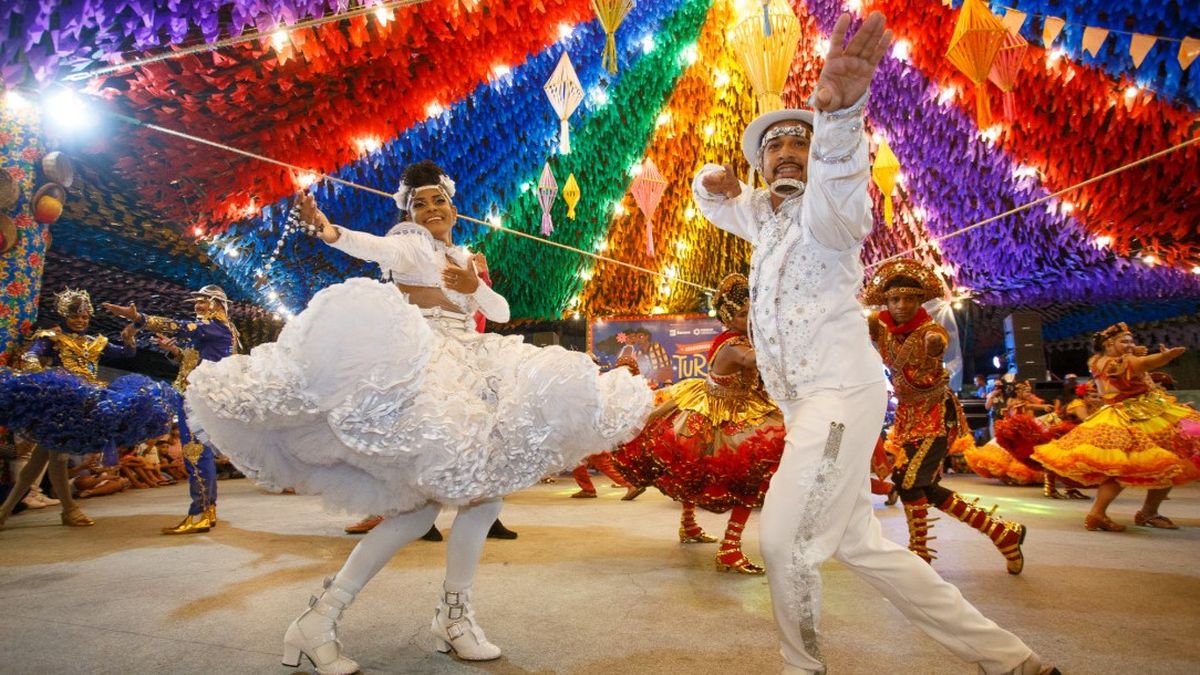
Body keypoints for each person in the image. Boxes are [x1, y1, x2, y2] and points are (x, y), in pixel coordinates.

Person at [691, 12, 1056, 674]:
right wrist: (710, 185)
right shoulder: (767, 218)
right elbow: (722, 204)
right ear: (760, 165)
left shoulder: (828, 214)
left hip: (837, 397)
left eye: (798, 144)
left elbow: (842, 182)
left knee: (783, 541)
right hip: (807, 405)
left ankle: (802, 668)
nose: (786, 153)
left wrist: (837, 117)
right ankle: (1012, 659)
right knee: (863, 544)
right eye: (773, 148)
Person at [182, 160, 652, 671]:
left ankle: (441, 617)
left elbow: (497, 312)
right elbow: (370, 245)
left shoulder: (465, 255)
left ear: (454, 208)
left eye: (438, 201)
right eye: (419, 203)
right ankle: (330, 620)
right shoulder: (408, 244)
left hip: (472, 362)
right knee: (421, 513)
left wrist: (471, 287)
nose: (430, 209)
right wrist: (329, 230)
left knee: (481, 500)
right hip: (424, 367)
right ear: (409, 212)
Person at [612, 273, 785, 574]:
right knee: (751, 466)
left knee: (704, 469)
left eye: (752, 313)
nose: (749, 319)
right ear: (729, 317)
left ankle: (689, 526)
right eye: (744, 314)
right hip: (719, 410)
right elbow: (752, 361)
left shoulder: (741, 338)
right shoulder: (734, 345)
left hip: (736, 404)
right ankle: (730, 548)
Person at [864, 259, 1026, 573]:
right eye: (895, 299)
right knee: (924, 487)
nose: (901, 305)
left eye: (909, 298)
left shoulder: (930, 329)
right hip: (907, 417)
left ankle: (920, 556)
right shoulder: (879, 326)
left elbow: (937, 342)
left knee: (908, 481)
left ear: (920, 300)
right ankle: (1002, 533)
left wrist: (935, 346)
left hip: (936, 413)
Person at [0, 288, 169, 529]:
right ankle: (69, 509)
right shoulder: (52, 337)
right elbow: (33, 354)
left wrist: (129, 334)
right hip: (60, 402)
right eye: (75, 316)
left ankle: (5, 510)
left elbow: (127, 353)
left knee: (40, 460)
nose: (80, 321)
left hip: (86, 403)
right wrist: (35, 370)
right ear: (64, 316)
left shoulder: (94, 342)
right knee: (57, 456)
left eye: (84, 317)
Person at [1033, 323, 1199, 531]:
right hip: (1134, 415)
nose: (1130, 345)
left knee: (1166, 462)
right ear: (1109, 344)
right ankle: (1109, 513)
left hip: (1141, 411)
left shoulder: (1099, 361)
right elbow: (1141, 364)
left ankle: (1133, 512)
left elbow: (1141, 371)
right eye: (1124, 341)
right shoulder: (1114, 362)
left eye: (1131, 340)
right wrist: (1165, 357)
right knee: (1146, 463)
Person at [104, 285, 239, 534]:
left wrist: (138, 318)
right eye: (196, 302)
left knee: (195, 454)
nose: (197, 306)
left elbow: (175, 325)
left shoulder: (214, 327)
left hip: (195, 398)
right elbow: (194, 359)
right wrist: (175, 351)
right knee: (200, 453)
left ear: (218, 305)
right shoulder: (213, 331)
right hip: (195, 395)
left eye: (203, 302)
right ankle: (207, 511)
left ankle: (199, 513)